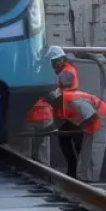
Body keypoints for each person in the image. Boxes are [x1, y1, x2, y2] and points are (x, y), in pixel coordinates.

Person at [44, 72, 106, 181]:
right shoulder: (62, 104)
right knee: (86, 149)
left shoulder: (73, 101)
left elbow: (92, 116)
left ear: (57, 99)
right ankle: (83, 176)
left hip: (100, 115)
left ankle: (92, 179)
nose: (52, 106)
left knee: (94, 148)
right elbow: (59, 121)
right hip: (89, 119)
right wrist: (48, 130)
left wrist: (80, 128)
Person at [45, 46, 82, 175]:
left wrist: (49, 96)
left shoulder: (67, 73)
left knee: (74, 144)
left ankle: (76, 172)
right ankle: (74, 172)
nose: (54, 65)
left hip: (72, 114)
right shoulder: (64, 71)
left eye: (55, 61)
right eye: (52, 62)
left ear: (61, 59)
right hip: (67, 113)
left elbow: (61, 92)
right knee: (66, 143)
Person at [21, 98, 54, 165]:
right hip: (43, 112)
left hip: (40, 112)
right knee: (38, 141)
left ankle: (30, 161)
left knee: (32, 140)